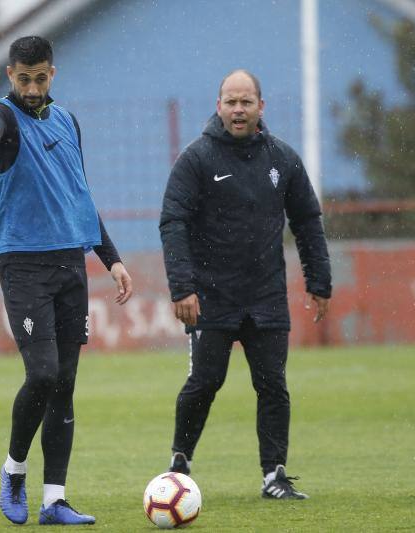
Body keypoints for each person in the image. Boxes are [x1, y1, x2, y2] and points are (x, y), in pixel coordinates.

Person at [0, 36, 133, 525]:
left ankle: (54, 501)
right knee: (41, 373)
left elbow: (78, 195)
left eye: (41, 78)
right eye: (24, 79)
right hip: (22, 263)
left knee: (63, 384)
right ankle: (14, 469)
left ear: (52, 74)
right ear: (9, 75)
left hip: (69, 264)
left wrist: (113, 259)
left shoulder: (67, 121)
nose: (33, 87)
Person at [159, 69, 331, 500]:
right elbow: (172, 221)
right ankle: (180, 462)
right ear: (218, 106)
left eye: (246, 102)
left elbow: (307, 220)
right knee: (205, 382)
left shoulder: (284, 159)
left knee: (273, 385)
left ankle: (274, 474)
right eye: (231, 102)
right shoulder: (196, 159)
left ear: (260, 107)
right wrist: (182, 287)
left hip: (266, 295)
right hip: (211, 296)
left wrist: (319, 279)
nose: (238, 110)